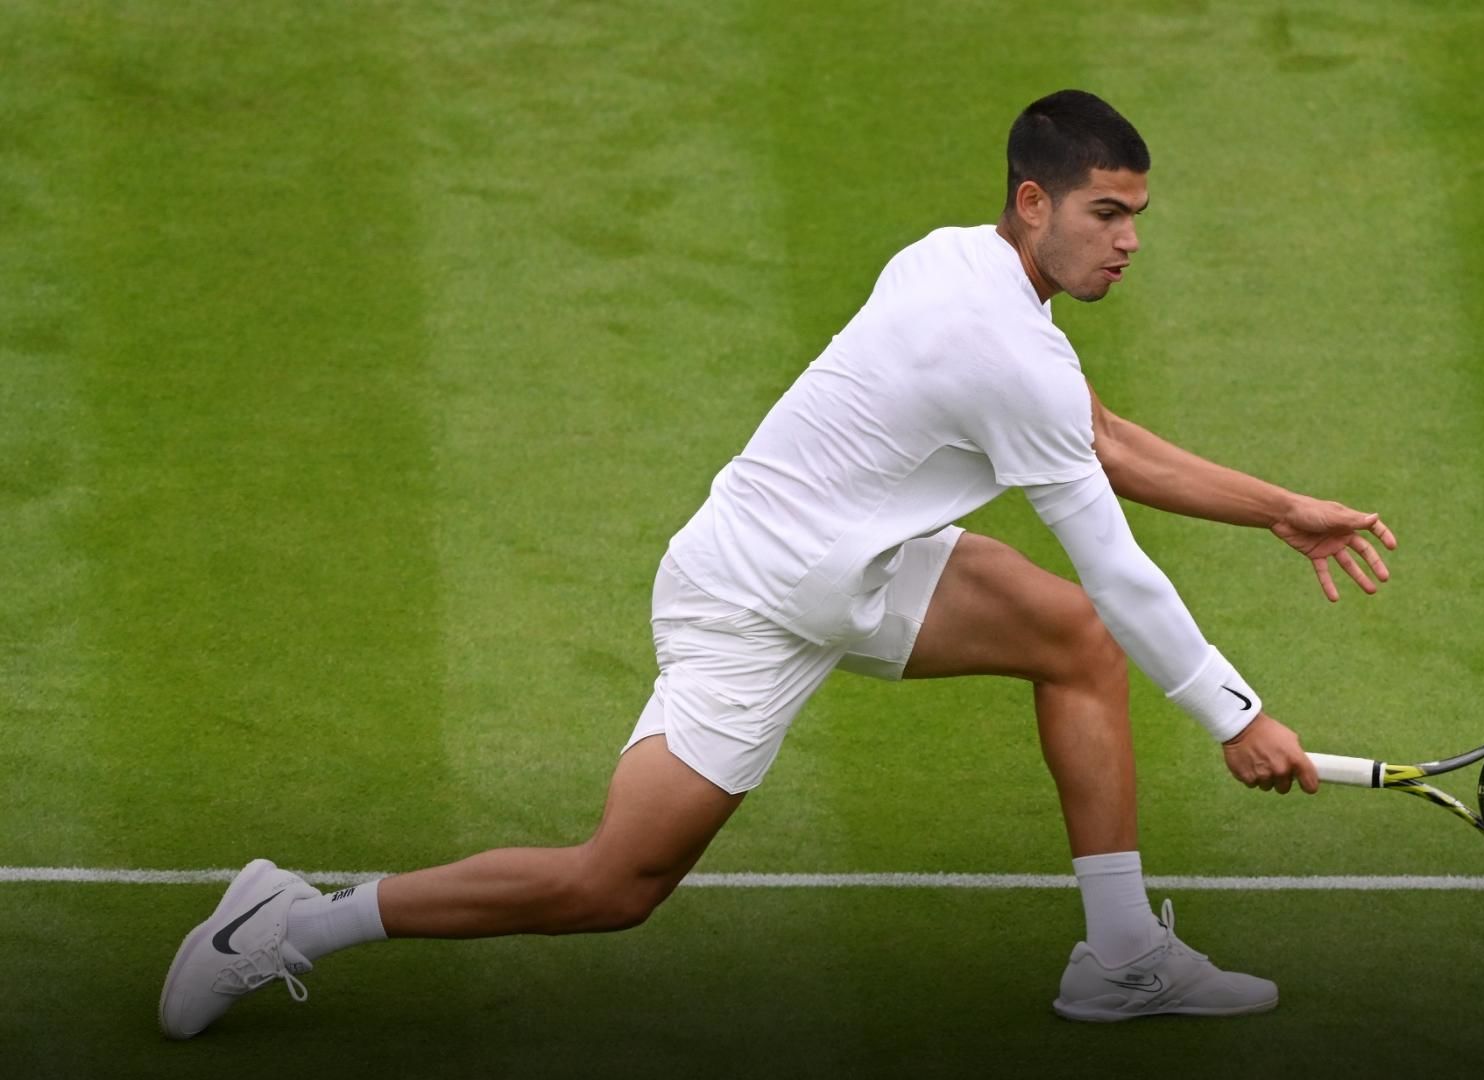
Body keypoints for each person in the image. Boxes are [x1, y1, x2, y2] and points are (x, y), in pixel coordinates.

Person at [159, 88, 1395, 1038]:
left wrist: (1276, 507)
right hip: (750, 599)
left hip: (860, 566)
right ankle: (295, 921)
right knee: (613, 886)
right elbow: (1122, 564)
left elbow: (1100, 435)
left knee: (1069, 641)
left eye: (1137, 216)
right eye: (1105, 214)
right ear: (1034, 202)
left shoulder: (960, 261)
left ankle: (1121, 960)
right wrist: (1235, 713)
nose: (1128, 242)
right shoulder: (1004, 349)